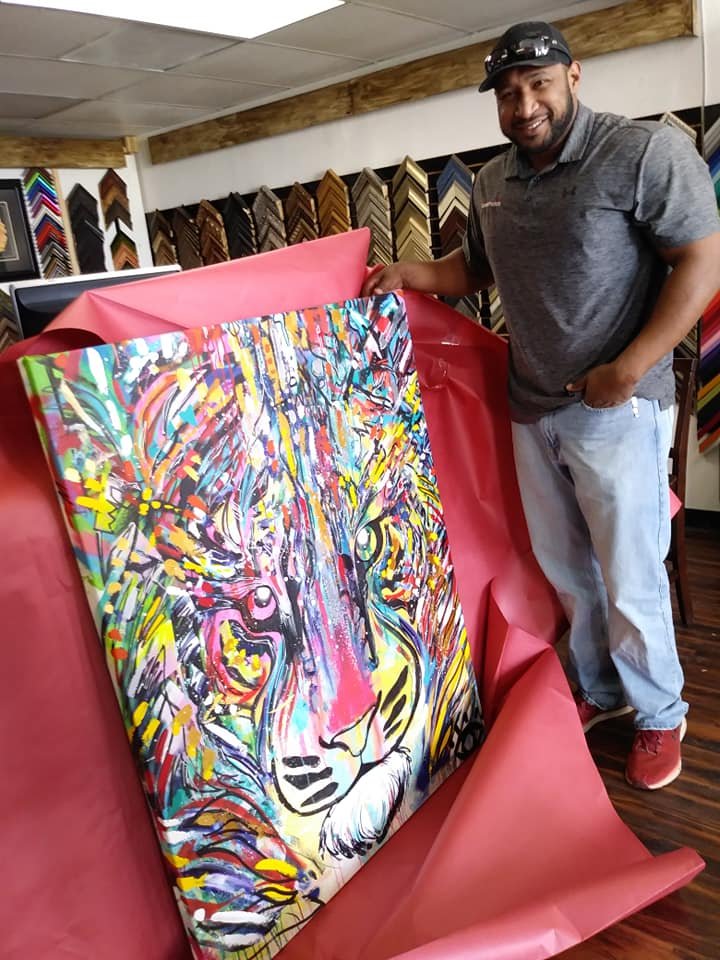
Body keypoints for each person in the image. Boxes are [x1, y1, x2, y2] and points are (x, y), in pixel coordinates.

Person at [361, 20, 720, 790]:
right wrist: (407, 274)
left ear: (573, 76)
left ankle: (660, 712)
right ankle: (599, 688)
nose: (524, 105)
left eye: (539, 85)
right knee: (567, 571)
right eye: (508, 93)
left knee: (630, 572)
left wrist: (629, 368)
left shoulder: (641, 153)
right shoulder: (493, 182)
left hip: (618, 407)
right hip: (532, 408)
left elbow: (703, 258)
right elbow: (471, 271)